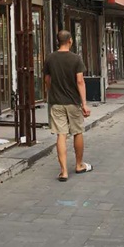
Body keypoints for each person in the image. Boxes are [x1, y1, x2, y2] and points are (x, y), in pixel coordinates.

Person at [44, 30, 92, 182]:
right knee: (77, 132)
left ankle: (64, 171)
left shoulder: (50, 58)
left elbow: (47, 80)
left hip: (56, 102)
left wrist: (52, 92)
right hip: (73, 102)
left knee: (61, 135)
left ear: (58, 41)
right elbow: (80, 81)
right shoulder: (76, 59)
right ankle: (79, 165)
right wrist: (84, 104)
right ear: (70, 41)